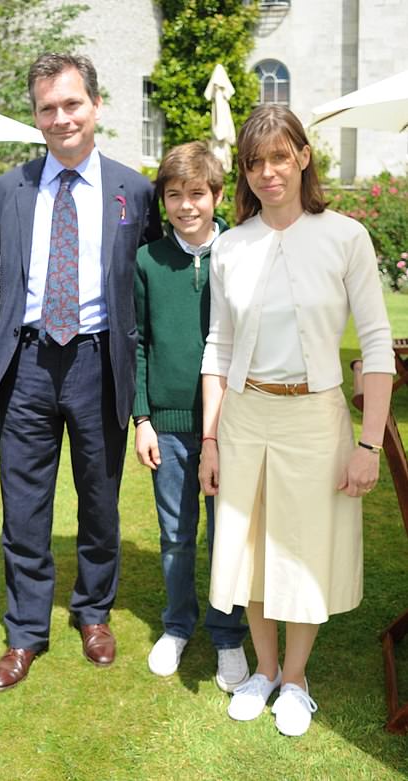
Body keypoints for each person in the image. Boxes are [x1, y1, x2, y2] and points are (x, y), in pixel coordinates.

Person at [198, 104, 394, 736]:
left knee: (303, 551)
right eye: (255, 162)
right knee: (252, 550)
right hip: (245, 416)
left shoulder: (345, 237)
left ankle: (296, 678)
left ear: (303, 156)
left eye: (279, 157)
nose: (267, 172)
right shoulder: (230, 245)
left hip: (317, 419)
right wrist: (209, 440)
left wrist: (369, 443)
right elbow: (218, 349)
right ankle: (264, 668)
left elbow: (379, 342)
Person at [0, 53, 161, 690]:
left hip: (98, 361)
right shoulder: (7, 190)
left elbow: (151, 282)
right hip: (25, 363)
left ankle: (93, 612)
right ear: (35, 115)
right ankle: (26, 631)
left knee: (100, 499)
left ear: (96, 105)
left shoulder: (134, 192)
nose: (61, 118)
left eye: (72, 104)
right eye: (47, 108)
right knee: (23, 505)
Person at [133, 141, 249, 687]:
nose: (185, 205)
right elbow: (137, 344)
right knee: (176, 534)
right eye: (174, 195)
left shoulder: (242, 253)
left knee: (226, 534)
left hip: (235, 424)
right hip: (170, 425)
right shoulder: (148, 260)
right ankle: (178, 625)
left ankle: (228, 635)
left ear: (217, 195)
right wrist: (142, 419)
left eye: (197, 194)